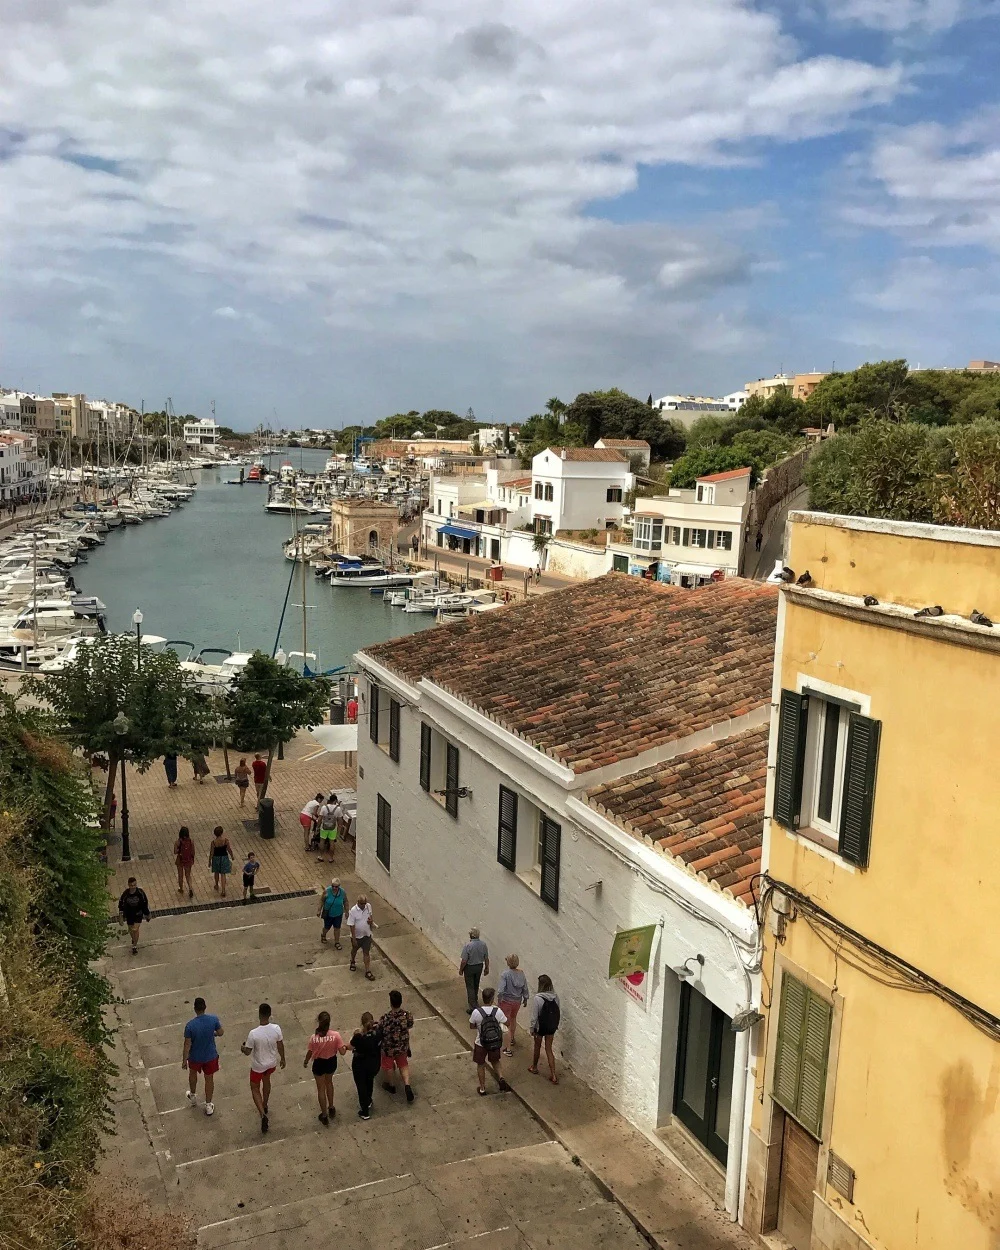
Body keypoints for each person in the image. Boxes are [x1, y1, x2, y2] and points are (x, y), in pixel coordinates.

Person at [241, 1002, 285, 1134]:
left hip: (258, 1066)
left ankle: (262, 1114)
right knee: (267, 1081)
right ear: (270, 1014)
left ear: (259, 1014)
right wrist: (283, 1058)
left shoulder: (253, 1034)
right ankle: (265, 1104)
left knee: (255, 1087)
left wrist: (242, 1048)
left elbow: (248, 1051)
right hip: (271, 1063)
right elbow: (280, 1045)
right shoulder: (276, 1028)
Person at [302, 1010, 346, 1124]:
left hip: (319, 1064)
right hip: (331, 1062)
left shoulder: (314, 1038)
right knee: (329, 1083)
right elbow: (342, 1052)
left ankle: (324, 1114)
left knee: (320, 1088)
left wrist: (306, 1061)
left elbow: (310, 1052)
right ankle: (331, 1107)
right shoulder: (336, 1035)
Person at [182, 997, 223, 1116]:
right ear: (205, 1007)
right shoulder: (213, 1020)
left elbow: (187, 1045)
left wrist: (184, 1060)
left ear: (195, 1009)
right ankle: (209, 1105)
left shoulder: (190, 1026)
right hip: (210, 1056)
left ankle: (193, 1095)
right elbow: (221, 1032)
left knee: (193, 1074)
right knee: (209, 1079)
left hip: (195, 1056)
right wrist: (213, 1033)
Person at [469, 987, 511, 1096]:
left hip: (481, 1042)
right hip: (494, 1041)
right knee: (495, 1060)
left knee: (481, 1064)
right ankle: (501, 1078)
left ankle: (482, 1088)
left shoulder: (476, 1012)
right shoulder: (498, 1011)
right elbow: (507, 1023)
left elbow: (471, 1026)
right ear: (492, 999)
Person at [378, 989, 415, 1102]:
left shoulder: (386, 1018)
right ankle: (407, 1085)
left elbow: (380, 1030)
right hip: (402, 1045)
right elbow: (410, 1025)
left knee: (388, 1066)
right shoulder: (407, 1015)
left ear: (391, 1003)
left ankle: (391, 1085)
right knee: (403, 1065)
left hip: (389, 1047)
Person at [528, 974, 561, 1084]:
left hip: (540, 1027)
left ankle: (534, 1067)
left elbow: (534, 1015)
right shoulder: (556, 997)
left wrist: (532, 1028)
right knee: (549, 1049)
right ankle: (553, 1075)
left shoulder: (538, 998)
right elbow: (557, 1011)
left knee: (537, 1047)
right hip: (551, 1027)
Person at [349, 1012, 382, 1120]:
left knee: (361, 1086)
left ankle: (365, 1111)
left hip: (360, 1065)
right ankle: (368, 1100)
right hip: (374, 1063)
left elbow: (349, 1047)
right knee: (370, 1080)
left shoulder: (359, 1037)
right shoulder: (378, 1033)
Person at [497, 953, 530, 1055]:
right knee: (513, 1018)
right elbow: (525, 987)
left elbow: (501, 990)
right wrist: (525, 998)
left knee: (504, 1022)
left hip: (506, 1001)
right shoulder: (521, 973)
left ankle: (507, 1047)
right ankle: (511, 1038)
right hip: (517, 1001)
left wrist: (499, 999)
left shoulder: (505, 974)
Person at [459, 927, 489, 1014]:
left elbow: (464, 960)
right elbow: (486, 958)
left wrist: (461, 969)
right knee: (476, 984)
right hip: (479, 966)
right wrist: (487, 967)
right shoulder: (483, 945)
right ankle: (475, 1001)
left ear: (471, 935)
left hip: (470, 967)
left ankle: (473, 1006)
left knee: (470, 986)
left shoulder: (468, 946)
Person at [118, 878, 151, 954]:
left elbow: (144, 903)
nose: (133, 887)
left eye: (134, 885)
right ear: (128, 885)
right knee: (130, 929)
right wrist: (121, 916)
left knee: (135, 929)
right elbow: (121, 905)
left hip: (138, 913)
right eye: (131, 885)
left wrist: (147, 914)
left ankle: (134, 946)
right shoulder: (125, 894)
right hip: (129, 914)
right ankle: (134, 939)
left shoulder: (140, 893)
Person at [348, 895, 377, 979]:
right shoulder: (353, 911)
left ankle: (367, 970)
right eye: (361, 903)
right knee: (354, 949)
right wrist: (353, 938)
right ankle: (352, 960)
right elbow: (351, 925)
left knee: (366, 952)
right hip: (357, 936)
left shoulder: (368, 906)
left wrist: (371, 921)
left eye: (364, 903)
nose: (363, 905)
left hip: (367, 934)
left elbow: (371, 917)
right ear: (358, 902)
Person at [318, 878, 347, 947]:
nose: (334, 888)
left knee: (337, 928)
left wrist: (347, 911)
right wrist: (319, 910)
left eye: (336, 887)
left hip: (338, 914)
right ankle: (323, 934)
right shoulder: (327, 891)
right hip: (329, 914)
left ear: (339, 886)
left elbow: (345, 901)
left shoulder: (342, 892)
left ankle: (337, 942)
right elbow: (322, 900)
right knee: (327, 927)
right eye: (333, 886)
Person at [209, 826, 234, 897]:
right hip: (224, 858)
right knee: (223, 874)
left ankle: (216, 884)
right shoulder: (226, 841)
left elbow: (211, 852)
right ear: (222, 833)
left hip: (216, 858)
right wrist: (232, 856)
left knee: (216, 872)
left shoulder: (213, 842)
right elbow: (229, 849)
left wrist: (209, 861)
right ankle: (223, 890)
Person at [316, 793, 340, 863]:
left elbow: (320, 819)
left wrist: (317, 827)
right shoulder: (338, 809)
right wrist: (338, 830)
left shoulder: (324, 807)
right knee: (332, 842)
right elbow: (340, 821)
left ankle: (321, 856)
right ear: (335, 801)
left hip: (324, 827)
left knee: (322, 841)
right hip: (333, 828)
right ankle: (330, 858)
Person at [174, 826, 196, 898]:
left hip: (180, 860)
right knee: (188, 875)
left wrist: (180, 850)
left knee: (180, 875)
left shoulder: (178, 842)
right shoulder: (191, 841)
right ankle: (190, 888)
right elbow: (193, 852)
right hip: (188, 860)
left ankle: (181, 888)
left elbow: (175, 852)